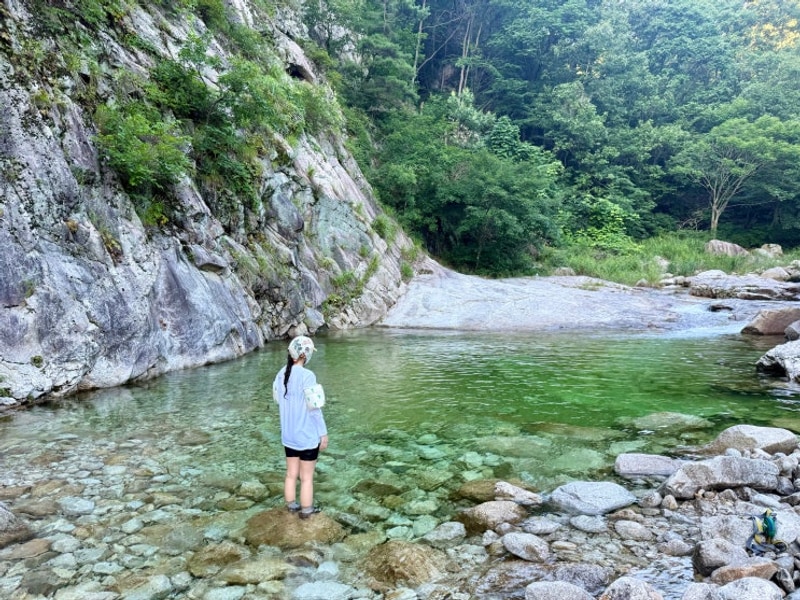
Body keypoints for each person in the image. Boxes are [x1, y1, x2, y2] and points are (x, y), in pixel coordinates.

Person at [273, 335, 328, 519]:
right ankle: (306, 512)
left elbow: (277, 400)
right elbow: (315, 409)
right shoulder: (308, 376)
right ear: (304, 355)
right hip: (306, 436)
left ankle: (290, 507)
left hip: (288, 436)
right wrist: (323, 433)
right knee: (306, 478)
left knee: (290, 474)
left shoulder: (281, 374)